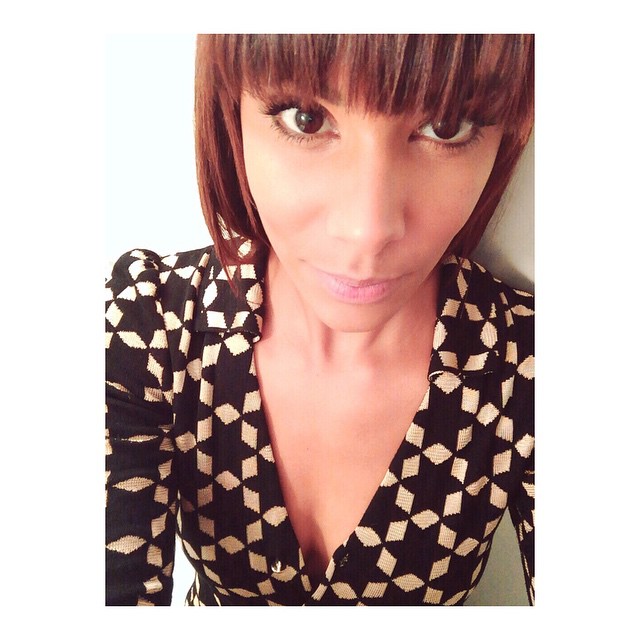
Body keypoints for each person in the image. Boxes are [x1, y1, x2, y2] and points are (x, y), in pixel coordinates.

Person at [105, 34, 534, 606]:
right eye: (306, 119)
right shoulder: (152, 322)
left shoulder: (524, 365)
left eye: (447, 127)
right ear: (232, 113)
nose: (367, 229)